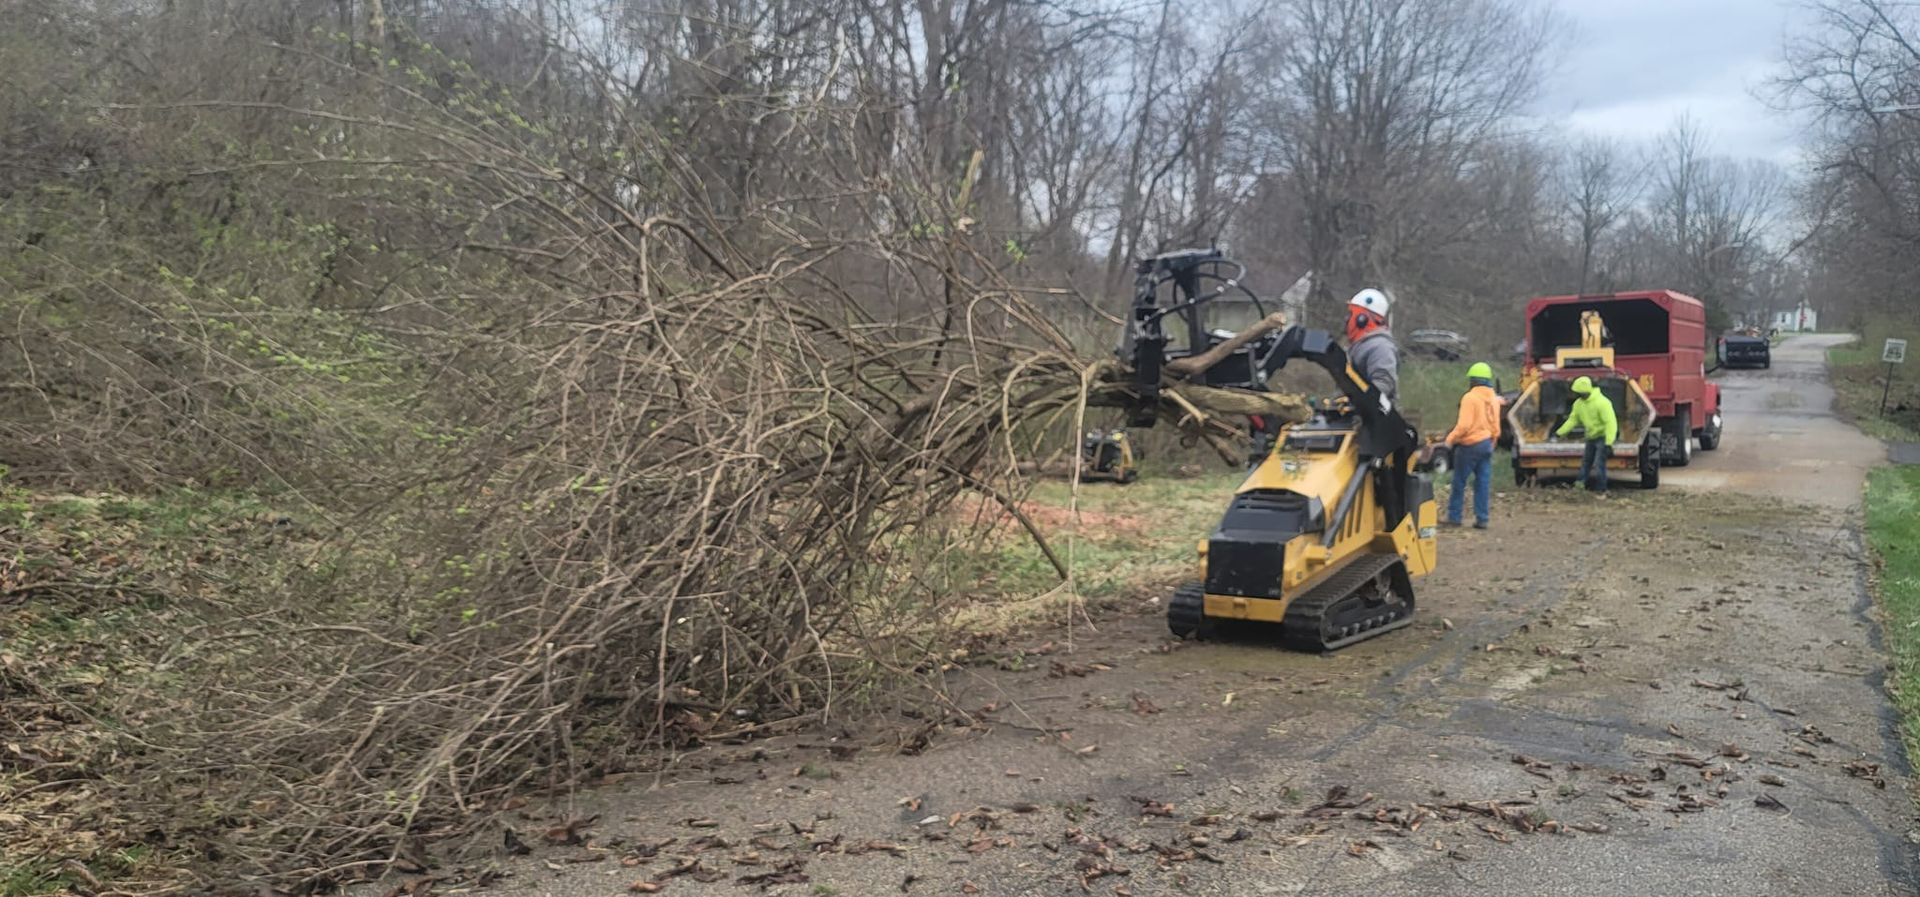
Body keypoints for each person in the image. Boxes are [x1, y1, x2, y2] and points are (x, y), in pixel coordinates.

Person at [1443, 362, 1502, 528]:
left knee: (1459, 482)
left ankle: (1455, 517)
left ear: (1473, 380)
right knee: (1482, 482)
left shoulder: (1470, 398)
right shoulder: (1493, 399)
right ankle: (1482, 519)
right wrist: (1493, 441)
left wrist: (1450, 440)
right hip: (1487, 443)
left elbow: (1464, 426)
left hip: (1469, 446)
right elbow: (1496, 425)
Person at [1556, 376, 1618, 494]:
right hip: (1591, 437)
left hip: (1602, 437)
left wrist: (1609, 443)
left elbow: (1611, 423)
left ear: (1583, 392)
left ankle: (1601, 489)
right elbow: (1572, 420)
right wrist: (1560, 432)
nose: (1575, 394)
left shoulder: (1602, 403)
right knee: (1586, 462)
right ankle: (1579, 485)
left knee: (1599, 464)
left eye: (1577, 392)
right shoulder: (1578, 404)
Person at [1346, 288, 1399, 403]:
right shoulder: (1360, 347)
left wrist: (1358, 402)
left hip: (1374, 419)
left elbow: (1383, 384)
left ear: (1362, 319)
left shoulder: (1380, 347)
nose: (1347, 319)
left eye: (1351, 314)